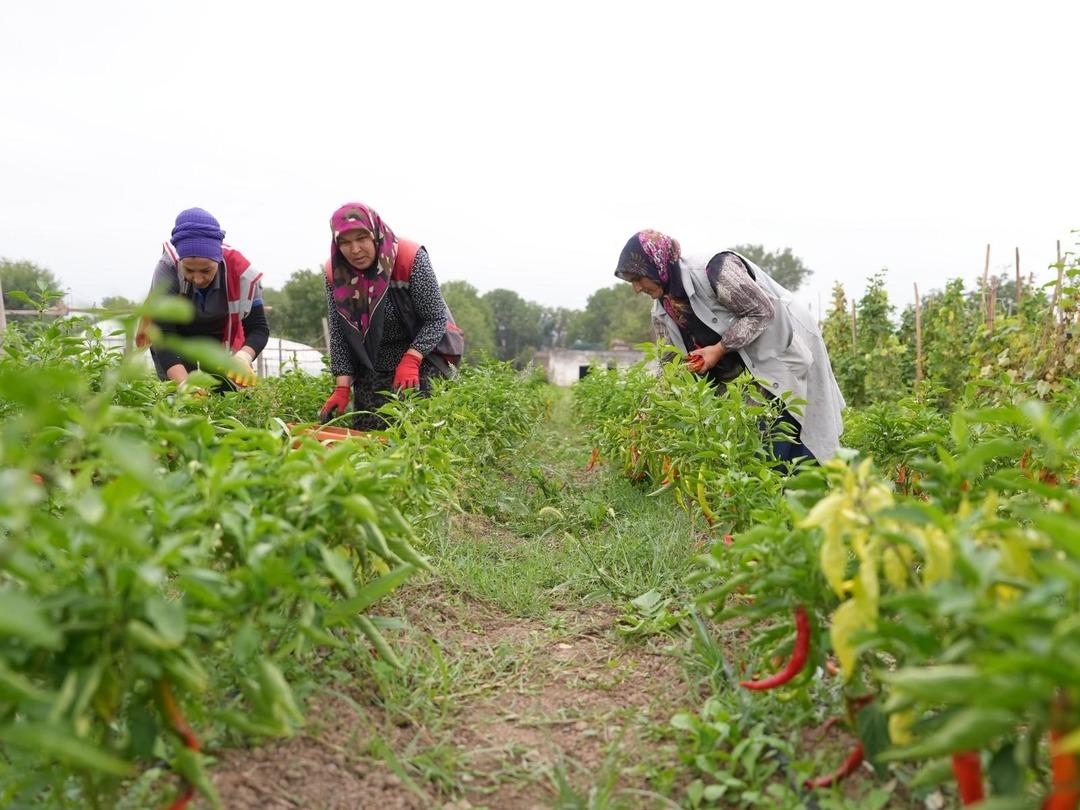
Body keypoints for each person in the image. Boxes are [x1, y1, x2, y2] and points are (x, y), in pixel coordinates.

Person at [614, 229, 845, 462]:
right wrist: (648, 409)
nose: (636, 288)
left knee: (788, 433)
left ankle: (807, 488)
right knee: (753, 438)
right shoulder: (663, 309)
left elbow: (761, 312)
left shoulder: (714, 269)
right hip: (746, 367)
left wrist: (718, 349)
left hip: (782, 343)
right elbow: (669, 364)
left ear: (657, 265)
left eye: (637, 278)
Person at [319, 202, 450, 429]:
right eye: (345, 242)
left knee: (417, 433)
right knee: (368, 440)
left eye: (361, 238)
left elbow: (437, 318)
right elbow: (340, 334)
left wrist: (411, 359)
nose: (355, 249)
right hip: (371, 362)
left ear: (375, 234)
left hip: (420, 359)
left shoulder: (409, 257)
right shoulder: (335, 273)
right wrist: (341, 387)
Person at [141, 208, 267, 390]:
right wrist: (184, 385)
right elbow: (163, 332)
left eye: (206, 270)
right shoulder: (168, 267)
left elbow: (258, 328)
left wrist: (243, 357)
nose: (198, 279)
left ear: (218, 259)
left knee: (228, 397)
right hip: (176, 342)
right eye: (189, 270)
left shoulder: (242, 274)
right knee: (180, 401)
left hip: (219, 343)